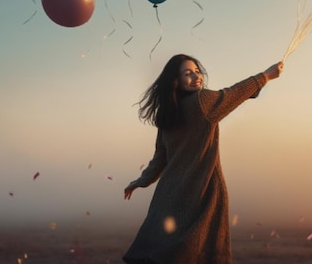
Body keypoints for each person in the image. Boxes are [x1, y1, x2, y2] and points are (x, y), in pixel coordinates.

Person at [122, 54, 284, 264]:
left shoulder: (167, 114)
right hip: (201, 193)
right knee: (197, 254)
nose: (196, 76)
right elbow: (234, 94)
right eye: (188, 73)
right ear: (175, 80)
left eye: (197, 71)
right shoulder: (202, 102)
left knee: (159, 253)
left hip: (168, 197)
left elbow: (158, 160)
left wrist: (141, 181)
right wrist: (266, 76)